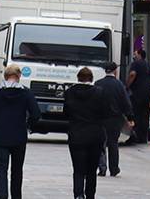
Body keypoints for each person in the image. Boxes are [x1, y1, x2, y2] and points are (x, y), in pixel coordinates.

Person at [0, 65, 43, 199]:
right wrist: (28, 126)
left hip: (1, 135)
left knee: (1, 167)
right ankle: (16, 196)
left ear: (5, 76)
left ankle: (2, 195)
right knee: (17, 170)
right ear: (19, 76)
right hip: (19, 136)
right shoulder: (26, 92)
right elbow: (36, 114)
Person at [65, 67, 108, 199]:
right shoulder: (100, 93)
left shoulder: (70, 92)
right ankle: (90, 195)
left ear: (78, 78)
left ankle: (78, 195)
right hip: (95, 136)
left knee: (78, 169)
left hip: (76, 135)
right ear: (91, 79)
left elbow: (66, 113)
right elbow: (105, 113)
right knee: (91, 170)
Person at [94, 61, 130, 177]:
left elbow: (93, 101)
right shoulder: (119, 85)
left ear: (105, 71)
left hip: (100, 118)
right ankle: (114, 169)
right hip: (115, 119)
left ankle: (102, 168)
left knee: (101, 143)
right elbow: (125, 102)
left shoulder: (98, 83)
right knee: (113, 143)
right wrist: (130, 117)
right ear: (115, 71)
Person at [124, 49, 150, 144]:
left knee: (135, 115)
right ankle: (143, 138)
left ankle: (134, 137)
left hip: (136, 94)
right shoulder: (149, 66)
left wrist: (127, 85)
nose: (134, 56)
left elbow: (133, 74)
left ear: (140, 55)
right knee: (145, 116)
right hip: (147, 95)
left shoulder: (135, 64)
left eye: (135, 54)